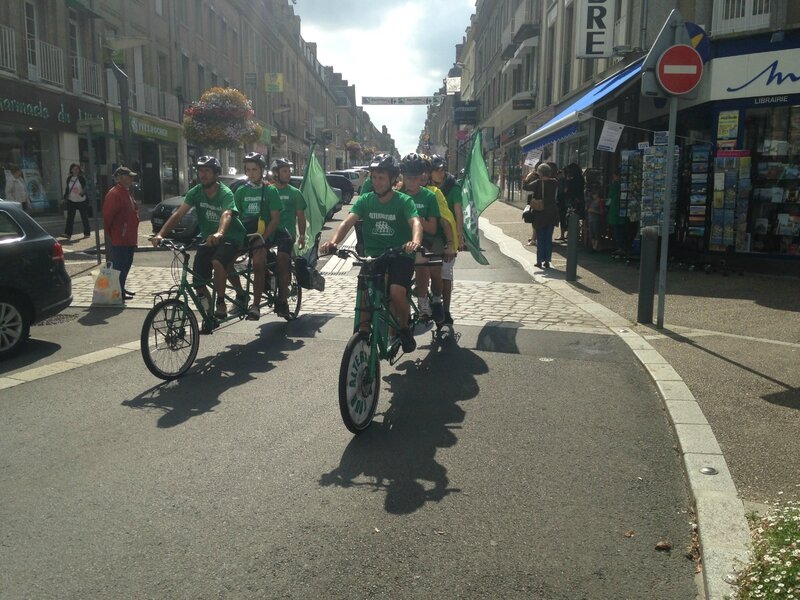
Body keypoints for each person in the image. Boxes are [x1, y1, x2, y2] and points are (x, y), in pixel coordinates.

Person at [320, 154, 422, 353]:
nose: (376, 182)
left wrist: (415, 242)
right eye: (374, 177)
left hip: (400, 255)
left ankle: (403, 327)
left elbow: (415, 223)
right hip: (373, 256)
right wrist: (332, 242)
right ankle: (363, 333)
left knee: (396, 291)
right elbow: (347, 222)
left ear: (392, 179)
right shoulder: (366, 200)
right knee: (365, 292)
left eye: (381, 177)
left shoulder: (403, 201)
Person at [151, 156, 246, 318]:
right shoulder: (196, 192)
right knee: (198, 281)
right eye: (201, 171)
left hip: (231, 236)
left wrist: (220, 232)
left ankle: (222, 302)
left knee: (218, 262)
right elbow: (179, 215)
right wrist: (160, 234)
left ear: (216, 174)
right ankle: (209, 312)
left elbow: (227, 213)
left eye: (207, 171)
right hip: (208, 237)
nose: (203, 175)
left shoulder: (225, 192)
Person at [398, 153, 450, 323]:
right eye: (407, 178)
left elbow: (433, 228)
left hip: (428, 239)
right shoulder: (396, 194)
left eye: (415, 178)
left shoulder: (429, 196)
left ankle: (434, 300)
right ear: (402, 177)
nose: (411, 182)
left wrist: (416, 220)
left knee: (433, 271)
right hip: (404, 240)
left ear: (421, 176)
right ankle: (418, 303)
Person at [230, 152, 281, 320]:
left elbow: (275, 219)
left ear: (262, 170)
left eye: (255, 169)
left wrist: (263, 238)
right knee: (224, 261)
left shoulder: (270, 190)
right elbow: (234, 216)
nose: (251, 173)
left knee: (258, 264)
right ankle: (241, 294)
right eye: (248, 170)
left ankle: (256, 305)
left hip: (263, 234)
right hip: (245, 233)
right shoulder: (241, 191)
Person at [264, 157, 306, 318]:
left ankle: (283, 300)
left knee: (282, 261)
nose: (288, 174)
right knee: (260, 258)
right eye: (284, 171)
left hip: (286, 235)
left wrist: (302, 235)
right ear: (275, 173)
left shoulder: (295, 193)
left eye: (289, 171)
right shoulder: (268, 190)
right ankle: (270, 279)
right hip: (270, 232)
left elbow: (301, 216)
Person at [428, 154, 463, 326]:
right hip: (432, 236)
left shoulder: (452, 187)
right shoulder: (426, 187)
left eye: (442, 170)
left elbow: (458, 212)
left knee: (445, 275)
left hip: (448, 236)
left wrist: (459, 236)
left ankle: (446, 310)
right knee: (431, 272)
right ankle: (432, 301)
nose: (440, 173)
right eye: (436, 170)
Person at [102, 166, 140, 300]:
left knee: (126, 264)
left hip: (128, 237)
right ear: (121, 177)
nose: (131, 178)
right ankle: (117, 292)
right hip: (121, 237)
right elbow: (108, 217)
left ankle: (121, 288)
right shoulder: (114, 193)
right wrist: (114, 233)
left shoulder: (125, 191)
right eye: (129, 176)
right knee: (120, 266)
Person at [531, 163, 559, 269]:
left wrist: (530, 176)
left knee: (540, 238)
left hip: (540, 214)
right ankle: (547, 261)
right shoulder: (555, 183)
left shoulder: (538, 182)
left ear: (540, 173)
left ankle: (539, 261)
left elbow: (525, 186)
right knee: (548, 238)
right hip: (551, 214)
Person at [63, 163, 90, 239]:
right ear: (71, 170)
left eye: (77, 169)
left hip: (81, 200)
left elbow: (86, 187)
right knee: (70, 218)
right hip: (72, 200)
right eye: (74, 169)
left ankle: (87, 233)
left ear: (79, 170)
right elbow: (67, 189)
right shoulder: (69, 178)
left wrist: (82, 192)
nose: (75, 170)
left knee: (84, 217)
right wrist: (65, 196)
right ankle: (68, 233)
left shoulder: (81, 178)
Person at [522, 168, 540, 245]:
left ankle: (534, 238)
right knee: (535, 221)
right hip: (534, 200)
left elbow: (525, 187)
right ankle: (534, 237)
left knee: (535, 221)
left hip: (535, 201)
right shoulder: (541, 181)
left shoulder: (537, 181)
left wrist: (527, 178)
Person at [586, 183, 605, 251]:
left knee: (596, 233)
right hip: (590, 219)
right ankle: (593, 246)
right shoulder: (591, 201)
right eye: (593, 194)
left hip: (596, 219)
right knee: (591, 234)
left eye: (595, 194)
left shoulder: (600, 201)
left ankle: (595, 246)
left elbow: (602, 212)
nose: (594, 195)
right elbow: (588, 209)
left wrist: (594, 211)